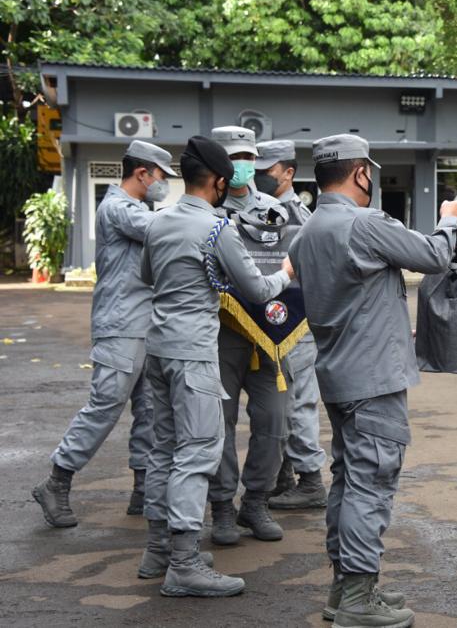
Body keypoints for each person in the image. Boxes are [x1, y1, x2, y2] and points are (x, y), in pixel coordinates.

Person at [289, 134, 457, 628]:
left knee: (347, 482)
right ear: (361, 173)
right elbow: (432, 255)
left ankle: (347, 588)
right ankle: (358, 598)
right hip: (373, 381)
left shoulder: (306, 233)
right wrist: (449, 218)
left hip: (339, 378)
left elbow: (351, 297)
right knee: (371, 486)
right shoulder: (364, 224)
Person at [138, 135, 293, 597]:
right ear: (220, 182)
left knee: (163, 450)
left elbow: (147, 277)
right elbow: (257, 290)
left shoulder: (158, 222)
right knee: (198, 450)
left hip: (159, 348)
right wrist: (287, 273)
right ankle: (184, 564)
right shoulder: (215, 228)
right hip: (194, 354)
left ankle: (158, 550)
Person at [32, 141, 175, 528]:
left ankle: (143, 491)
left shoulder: (141, 209)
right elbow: (165, 231)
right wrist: (201, 215)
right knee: (105, 405)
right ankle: (56, 481)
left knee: (149, 411)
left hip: (145, 325)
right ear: (143, 174)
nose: (165, 185)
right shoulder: (118, 209)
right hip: (121, 326)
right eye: (163, 177)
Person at [205, 126, 293, 545]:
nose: (241, 165)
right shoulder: (205, 210)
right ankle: (222, 506)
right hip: (221, 333)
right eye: (233, 156)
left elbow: (295, 267)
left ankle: (255, 502)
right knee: (219, 425)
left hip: (269, 334)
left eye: (247, 156)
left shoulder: (276, 208)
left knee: (275, 418)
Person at [253, 140, 329, 511]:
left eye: (267, 171)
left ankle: (311, 479)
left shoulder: (300, 217)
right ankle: (283, 474)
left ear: (287, 173)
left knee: (299, 401)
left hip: (295, 321)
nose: (259, 177)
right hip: (261, 321)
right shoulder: (254, 211)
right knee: (274, 404)